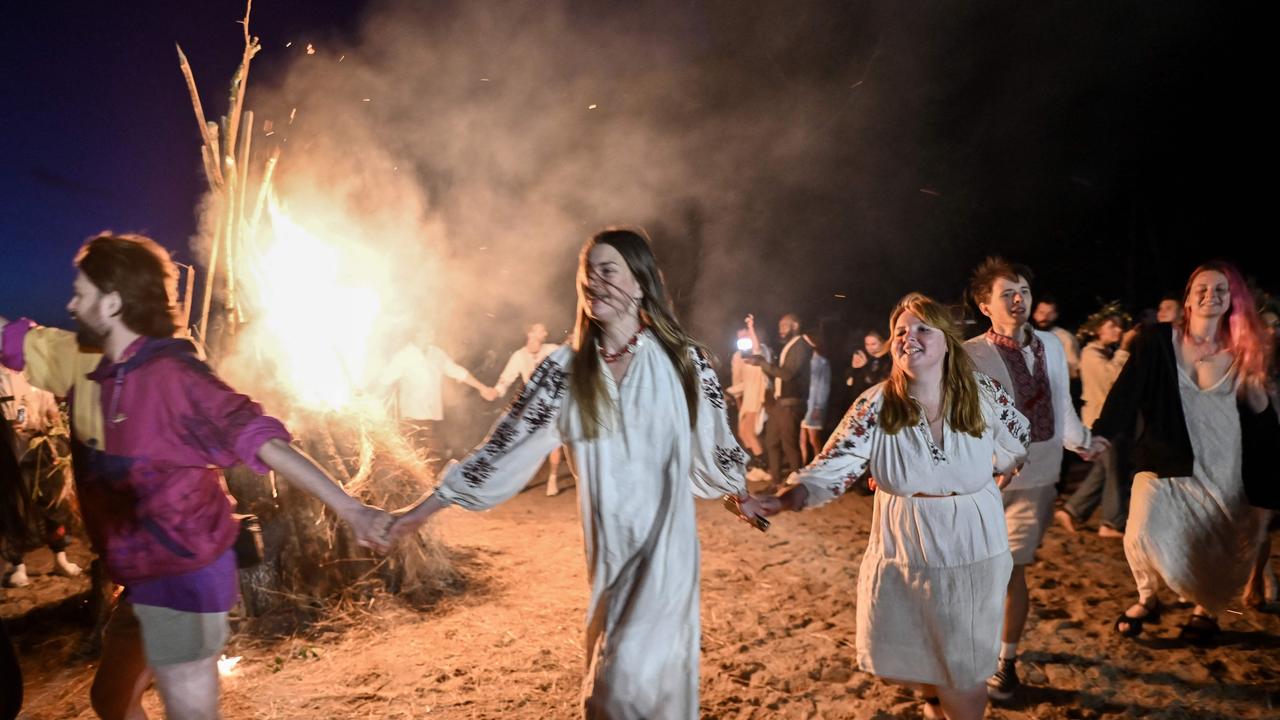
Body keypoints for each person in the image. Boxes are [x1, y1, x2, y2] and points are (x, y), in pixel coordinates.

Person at [1, 233, 393, 720]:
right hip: (140, 576)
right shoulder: (81, 361)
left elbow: (263, 439)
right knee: (110, 699)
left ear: (115, 302)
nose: (70, 303)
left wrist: (351, 509)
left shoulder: (177, 378)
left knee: (187, 703)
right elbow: (10, 337)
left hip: (184, 571)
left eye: (81, 294)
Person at [387, 228, 755, 719]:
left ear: (641, 283)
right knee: (627, 677)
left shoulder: (684, 361)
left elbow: (714, 441)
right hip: (608, 550)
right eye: (587, 274)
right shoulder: (564, 370)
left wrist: (739, 493)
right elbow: (501, 447)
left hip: (665, 549)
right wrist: (420, 511)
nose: (593, 282)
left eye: (608, 271)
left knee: (623, 678)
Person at [751, 293, 1029, 720]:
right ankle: (932, 707)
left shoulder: (982, 392)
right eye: (900, 331)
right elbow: (831, 467)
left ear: (947, 341)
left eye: (922, 329)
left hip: (971, 543)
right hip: (905, 542)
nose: (908, 338)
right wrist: (785, 500)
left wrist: (1006, 467)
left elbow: (1017, 438)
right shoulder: (876, 404)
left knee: (965, 669)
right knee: (922, 647)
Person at [1093, 261, 1275, 644]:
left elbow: (1260, 417)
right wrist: (1103, 434)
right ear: (1188, 299)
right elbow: (1127, 390)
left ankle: (1204, 613)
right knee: (1140, 533)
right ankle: (1148, 597)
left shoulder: (1242, 351)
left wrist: (1258, 391)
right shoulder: (1158, 340)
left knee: (1211, 542)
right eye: (1202, 289)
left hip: (1225, 464)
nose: (1212, 295)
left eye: (1221, 290)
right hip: (1166, 456)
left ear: (1232, 301)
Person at [963, 257, 1105, 701]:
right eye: (1007, 293)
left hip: (1039, 477)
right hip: (980, 482)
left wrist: (1081, 441)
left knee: (1011, 570)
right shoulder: (969, 354)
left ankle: (1005, 662)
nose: (1019, 299)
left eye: (1023, 290)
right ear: (986, 306)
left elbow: (1062, 401)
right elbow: (960, 421)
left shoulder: (1053, 344)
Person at [1056, 306, 1139, 538]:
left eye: (1118, 325)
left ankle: (1072, 510)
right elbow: (1112, 380)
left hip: (1109, 422)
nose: (1118, 329)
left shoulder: (1104, 353)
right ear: (1096, 330)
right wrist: (1124, 349)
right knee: (1115, 472)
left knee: (1104, 470)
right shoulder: (1091, 354)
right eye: (1111, 325)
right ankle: (1111, 523)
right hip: (1101, 423)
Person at [1, 366, 81, 586]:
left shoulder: (36, 373)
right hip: (11, 454)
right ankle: (17, 565)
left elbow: (50, 407)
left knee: (55, 505)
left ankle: (60, 557)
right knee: (15, 508)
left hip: (43, 449)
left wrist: (55, 425)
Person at [377, 332, 497, 463]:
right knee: (415, 458)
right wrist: (371, 401)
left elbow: (457, 372)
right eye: (426, 330)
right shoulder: (404, 355)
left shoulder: (436, 354)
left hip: (432, 416)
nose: (431, 334)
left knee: (431, 458)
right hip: (412, 418)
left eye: (432, 331)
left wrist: (482, 388)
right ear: (416, 333)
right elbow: (385, 380)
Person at [492, 322, 565, 495]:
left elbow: (568, 354)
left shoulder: (552, 349)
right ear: (530, 334)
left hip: (553, 402)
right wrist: (496, 391)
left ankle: (552, 479)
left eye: (544, 330)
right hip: (532, 405)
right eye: (541, 330)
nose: (545, 333)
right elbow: (506, 377)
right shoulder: (519, 356)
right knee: (526, 444)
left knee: (555, 441)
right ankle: (520, 480)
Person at [747, 313, 811, 486]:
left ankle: (799, 484)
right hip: (780, 403)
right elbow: (779, 375)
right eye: (780, 326)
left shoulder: (800, 346)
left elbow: (787, 374)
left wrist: (763, 363)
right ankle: (776, 482)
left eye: (784, 326)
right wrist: (761, 364)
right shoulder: (791, 345)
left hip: (791, 403)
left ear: (795, 325)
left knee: (789, 445)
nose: (780, 329)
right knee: (772, 442)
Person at [727, 315, 771, 464]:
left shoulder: (761, 351)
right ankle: (757, 461)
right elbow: (742, 382)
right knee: (742, 433)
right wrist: (730, 393)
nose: (743, 340)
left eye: (745, 336)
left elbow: (757, 348)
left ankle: (763, 466)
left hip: (758, 397)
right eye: (740, 338)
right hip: (748, 399)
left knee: (751, 433)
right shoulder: (740, 356)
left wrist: (751, 327)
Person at [1032, 296, 1081, 380]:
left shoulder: (1065, 338)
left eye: (1050, 313)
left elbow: (1075, 371)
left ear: (1056, 315)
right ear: (1034, 314)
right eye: (1041, 312)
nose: (1045, 317)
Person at [799, 332, 829, 465]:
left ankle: (819, 466)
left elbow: (823, 386)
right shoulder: (807, 360)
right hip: (805, 405)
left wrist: (819, 407)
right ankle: (805, 465)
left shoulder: (822, 362)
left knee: (814, 439)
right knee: (802, 439)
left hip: (815, 406)